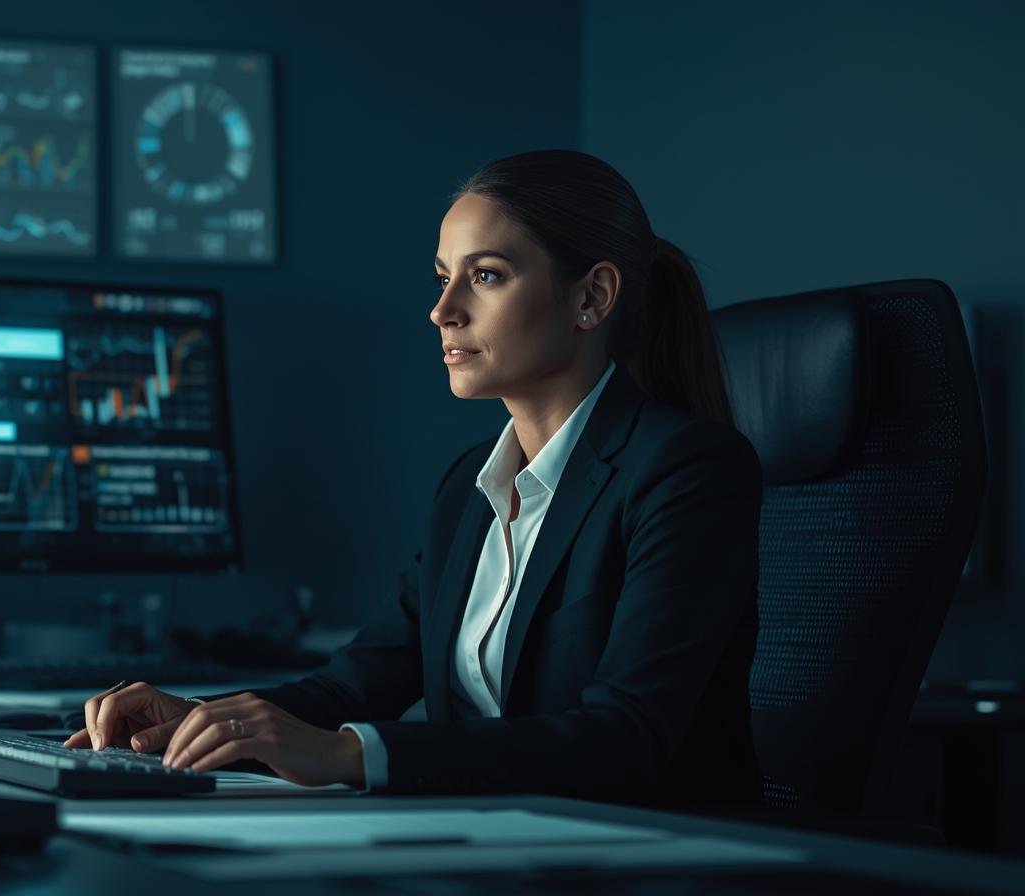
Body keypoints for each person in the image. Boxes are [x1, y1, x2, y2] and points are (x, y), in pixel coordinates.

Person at [63, 149, 763, 807]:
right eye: (442, 276)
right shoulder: (470, 487)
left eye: (485, 275)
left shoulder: (686, 471)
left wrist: (347, 755)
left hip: (645, 855)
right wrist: (203, 720)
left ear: (592, 297)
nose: (443, 309)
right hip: (495, 846)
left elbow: (625, 738)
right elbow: (351, 687)